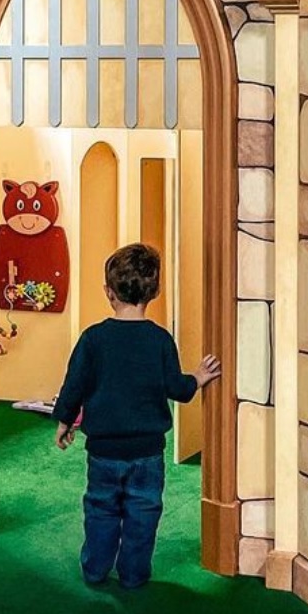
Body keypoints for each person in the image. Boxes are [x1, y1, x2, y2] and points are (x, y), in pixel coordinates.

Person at [52, 241, 221, 589]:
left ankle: (95, 569)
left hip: (104, 453)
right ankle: (133, 574)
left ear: (108, 291)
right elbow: (177, 388)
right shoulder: (160, 340)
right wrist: (198, 378)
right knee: (143, 513)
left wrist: (65, 419)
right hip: (148, 454)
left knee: (101, 509)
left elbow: (74, 384)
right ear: (154, 292)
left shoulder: (93, 339)